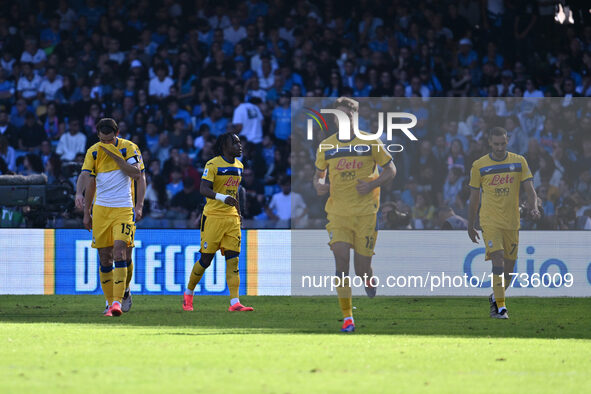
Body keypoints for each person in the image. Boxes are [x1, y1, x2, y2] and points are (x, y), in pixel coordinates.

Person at [313, 97, 396, 332]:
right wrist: (319, 184)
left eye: (348, 115)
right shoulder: (326, 146)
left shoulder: (370, 142)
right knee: (341, 261)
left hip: (365, 215)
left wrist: (372, 184)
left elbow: (391, 169)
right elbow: (318, 175)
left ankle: (368, 278)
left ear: (355, 117)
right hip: (338, 214)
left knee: (361, 270)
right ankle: (348, 317)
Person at [467, 127, 539, 320]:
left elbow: (530, 191)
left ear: (507, 141)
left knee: (509, 268)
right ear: (490, 143)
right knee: (497, 259)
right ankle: (500, 308)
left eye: (503, 143)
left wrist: (534, 207)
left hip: (512, 221)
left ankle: (495, 296)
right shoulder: (479, 165)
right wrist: (470, 224)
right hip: (490, 221)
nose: (499, 147)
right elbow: (474, 198)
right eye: (496, 144)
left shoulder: (519, 161)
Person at [76, 131, 146, 314]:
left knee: (122, 253)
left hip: (124, 209)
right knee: (105, 258)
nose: (105, 142)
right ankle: (111, 303)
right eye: (102, 139)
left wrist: (139, 205)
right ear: (98, 136)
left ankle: (120, 296)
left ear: (116, 134)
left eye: (109, 139)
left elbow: (139, 175)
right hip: (101, 211)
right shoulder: (93, 151)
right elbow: (88, 179)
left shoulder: (129, 148)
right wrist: (85, 208)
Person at [183, 133, 254, 312]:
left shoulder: (239, 165)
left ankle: (235, 302)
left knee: (233, 261)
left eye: (239, 142)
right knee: (206, 260)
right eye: (235, 143)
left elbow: (235, 192)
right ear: (225, 146)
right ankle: (188, 294)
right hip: (213, 217)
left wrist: (239, 214)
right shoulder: (213, 164)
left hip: (231, 218)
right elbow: (203, 189)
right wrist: (223, 198)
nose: (239, 145)